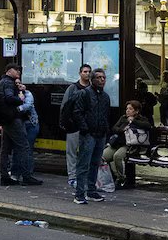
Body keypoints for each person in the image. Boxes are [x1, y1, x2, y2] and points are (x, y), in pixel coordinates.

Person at [0, 63, 42, 187]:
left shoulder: (2, 82)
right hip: (13, 118)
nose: (19, 72)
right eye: (17, 70)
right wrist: (20, 98)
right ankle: (26, 176)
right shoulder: (9, 82)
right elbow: (9, 98)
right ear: (9, 70)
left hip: (5, 119)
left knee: (5, 148)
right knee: (24, 146)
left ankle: (5, 176)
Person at [72, 68, 114, 204]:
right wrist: (85, 128)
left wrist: (106, 131)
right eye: (99, 77)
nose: (102, 80)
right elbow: (77, 112)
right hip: (88, 134)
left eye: (104, 78)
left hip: (100, 134)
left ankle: (91, 190)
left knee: (95, 163)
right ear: (92, 79)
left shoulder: (105, 96)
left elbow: (106, 115)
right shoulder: (84, 94)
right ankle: (79, 193)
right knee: (83, 164)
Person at [107, 100, 151, 189]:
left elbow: (147, 126)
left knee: (117, 156)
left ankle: (121, 178)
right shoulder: (123, 118)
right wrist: (122, 129)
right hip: (117, 143)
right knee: (103, 157)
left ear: (136, 111)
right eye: (127, 108)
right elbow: (114, 128)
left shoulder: (141, 119)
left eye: (130, 109)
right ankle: (114, 176)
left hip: (130, 145)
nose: (127, 111)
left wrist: (133, 121)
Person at [63, 64, 92, 188]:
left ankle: (83, 176)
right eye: (85, 71)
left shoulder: (92, 88)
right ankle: (72, 176)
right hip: (73, 125)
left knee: (86, 152)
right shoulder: (72, 88)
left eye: (89, 71)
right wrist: (65, 123)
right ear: (80, 73)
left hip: (88, 126)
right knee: (72, 152)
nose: (87, 73)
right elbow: (65, 106)